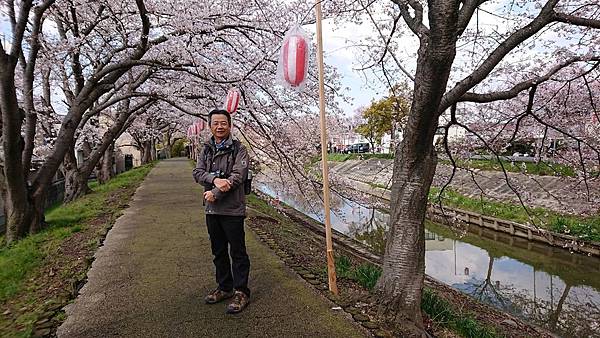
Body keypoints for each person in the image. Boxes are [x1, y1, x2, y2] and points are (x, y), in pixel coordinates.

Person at [192, 109, 250, 314]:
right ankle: (225, 287)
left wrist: (216, 192)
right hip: (212, 210)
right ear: (210, 126)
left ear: (230, 125)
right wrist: (215, 180)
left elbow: (238, 176)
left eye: (223, 123)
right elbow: (197, 173)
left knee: (238, 251)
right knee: (218, 251)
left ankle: (241, 291)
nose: (219, 126)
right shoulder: (206, 149)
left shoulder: (239, 149)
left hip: (232, 209)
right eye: (215, 123)